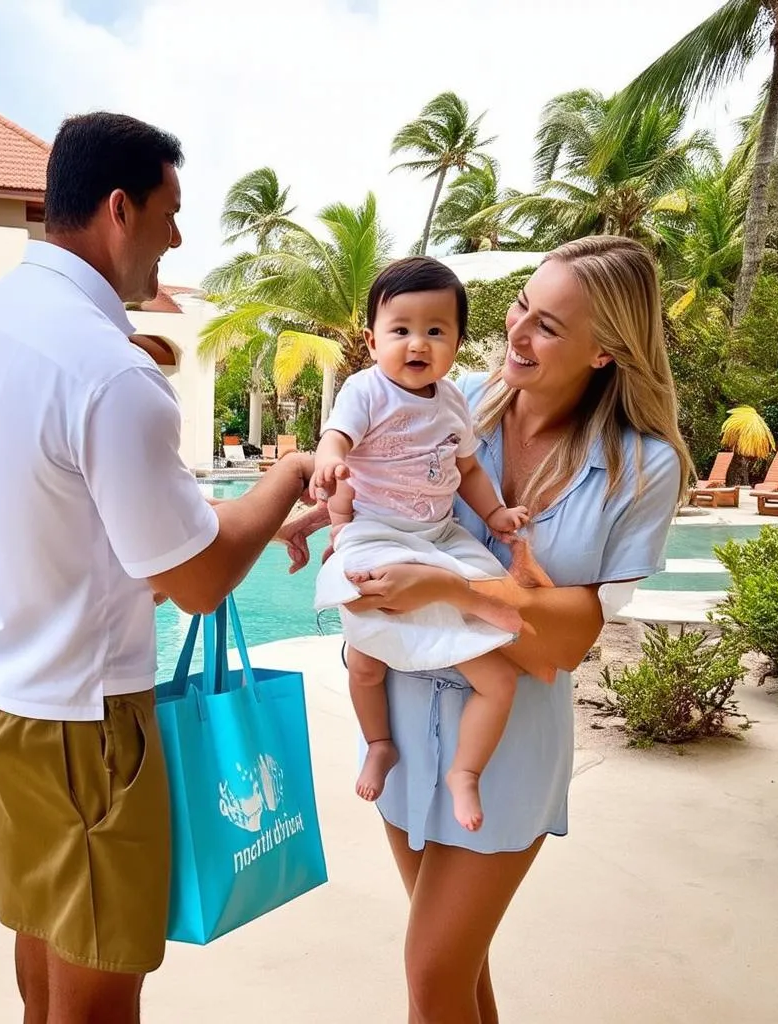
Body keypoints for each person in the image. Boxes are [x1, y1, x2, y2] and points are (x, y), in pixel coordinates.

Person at [0, 112, 313, 1024]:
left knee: (42, 945)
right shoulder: (111, 373)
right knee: (100, 987)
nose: (177, 237)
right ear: (118, 209)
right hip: (84, 728)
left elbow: (121, 539)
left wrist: (258, 524)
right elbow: (192, 582)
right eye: (171, 211)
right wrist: (290, 475)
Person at [283, 236, 692, 1023]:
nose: (516, 333)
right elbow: (382, 480)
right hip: (401, 729)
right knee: (460, 977)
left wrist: (446, 585)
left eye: (547, 326)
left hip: (502, 747)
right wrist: (309, 517)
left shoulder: (643, 468)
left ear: (604, 350)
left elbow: (571, 638)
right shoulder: (455, 394)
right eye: (518, 308)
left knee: (431, 974)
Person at [310, 257, 544, 832]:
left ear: (457, 343)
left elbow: (467, 470)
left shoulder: (454, 404)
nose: (418, 343)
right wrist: (332, 463)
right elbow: (336, 438)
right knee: (363, 658)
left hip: (441, 535)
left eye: (436, 330)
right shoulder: (365, 392)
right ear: (372, 340)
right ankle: (379, 742)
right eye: (401, 330)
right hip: (378, 532)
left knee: (498, 620)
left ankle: (465, 771)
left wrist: (494, 512)